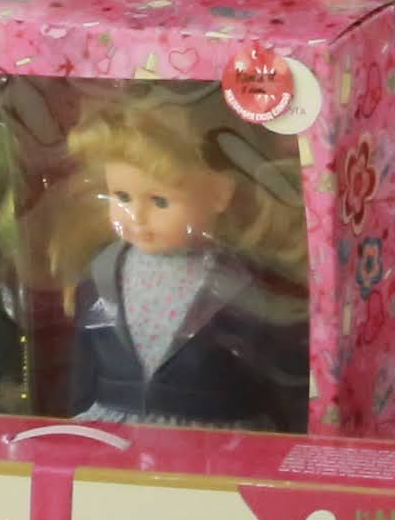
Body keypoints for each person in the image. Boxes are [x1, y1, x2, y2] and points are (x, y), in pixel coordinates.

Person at [56, 89, 311, 428]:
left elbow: (281, 377)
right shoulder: (102, 274)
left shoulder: (243, 286)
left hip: (213, 434)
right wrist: (74, 429)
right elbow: (84, 368)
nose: (136, 216)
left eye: (160, 201)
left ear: (219, 194)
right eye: (121, 197)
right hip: (113, 431)